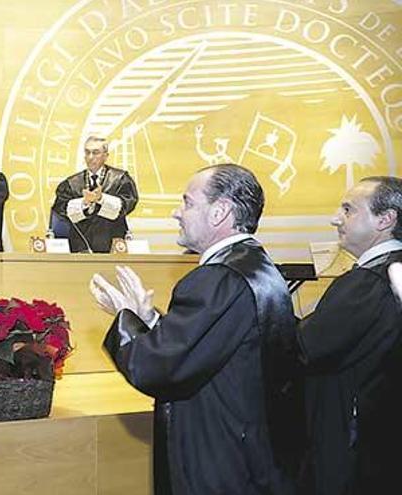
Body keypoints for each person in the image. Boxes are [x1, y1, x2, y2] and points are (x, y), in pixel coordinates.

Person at [90, 164, 301, 494]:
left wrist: (124, 318)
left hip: (218, 458)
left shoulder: (217, 277)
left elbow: (158, 368)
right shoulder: (256, 265)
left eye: (187, 202)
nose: (177, 213)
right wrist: (151, 320)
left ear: (220, 212)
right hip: (252, 452)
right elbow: (207, 347)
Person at [296, 177, 402, 494]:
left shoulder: (368, 281)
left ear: (385, 219)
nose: (335, 218)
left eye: (348, 209)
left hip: (352, 445)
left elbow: (306, 347)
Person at [52, 136, 138, 253]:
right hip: (80, 245)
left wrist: (102, 199)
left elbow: (127, 204)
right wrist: (84, 203)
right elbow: (60, 209)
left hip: (112, 244)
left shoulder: (120, 179)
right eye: (87, 152)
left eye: (95, 153)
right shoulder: (71, 183)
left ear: (105, 156)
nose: (90, 157)